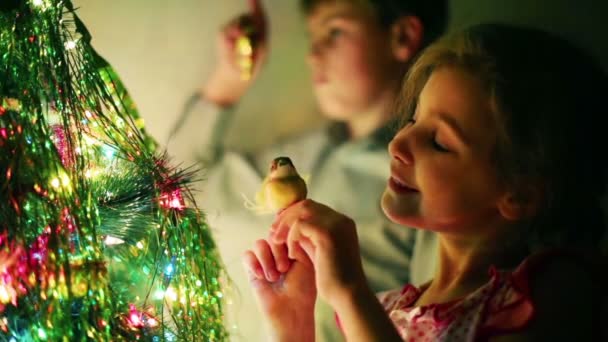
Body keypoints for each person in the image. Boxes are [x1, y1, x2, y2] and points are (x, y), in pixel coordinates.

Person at [243, 23, 608, 341]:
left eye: (439, 142)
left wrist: (350, 293)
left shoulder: (554, 292)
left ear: (521, 192)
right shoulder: (394, 310)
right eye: (412, 121)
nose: (397, 144)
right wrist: (292, 327)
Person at [167, 0, 447, 340]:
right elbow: (175, 187)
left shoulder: (426, 183)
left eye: (334, 32)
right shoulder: (299, 157)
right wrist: (228, 79)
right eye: (310, 38)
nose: (312, 56)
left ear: (402, 37)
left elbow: (439, 322)